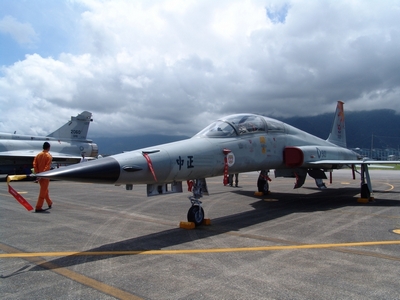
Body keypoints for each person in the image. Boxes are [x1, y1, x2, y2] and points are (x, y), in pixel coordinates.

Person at [33, 142, 53, 212]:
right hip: (45, 176)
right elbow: (47, 167)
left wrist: (38, 173)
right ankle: (38, 207)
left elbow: (34, 164)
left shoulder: (38, 155)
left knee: (45, 190)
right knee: (43, 191)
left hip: (40, 175)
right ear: (49, 148)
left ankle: (49, 202)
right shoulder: (49, 156)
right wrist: (42, 174)